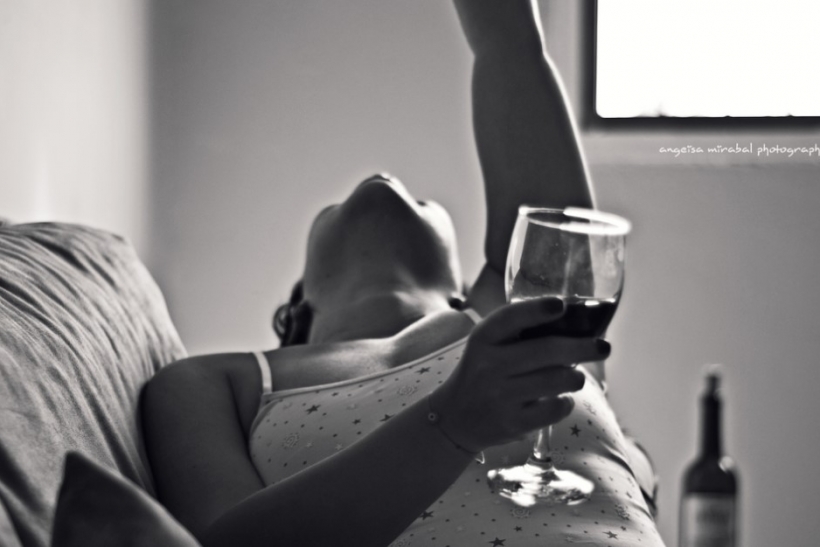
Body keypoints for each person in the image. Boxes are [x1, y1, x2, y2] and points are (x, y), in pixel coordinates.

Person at [142, 1, 666, 546]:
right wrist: (449, 425)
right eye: (336, 205)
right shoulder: (208, 382)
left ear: (462, 293)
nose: (382, 177)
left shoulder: (518, 330)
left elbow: (510, 44)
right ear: (297, 309)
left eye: (421, 201)